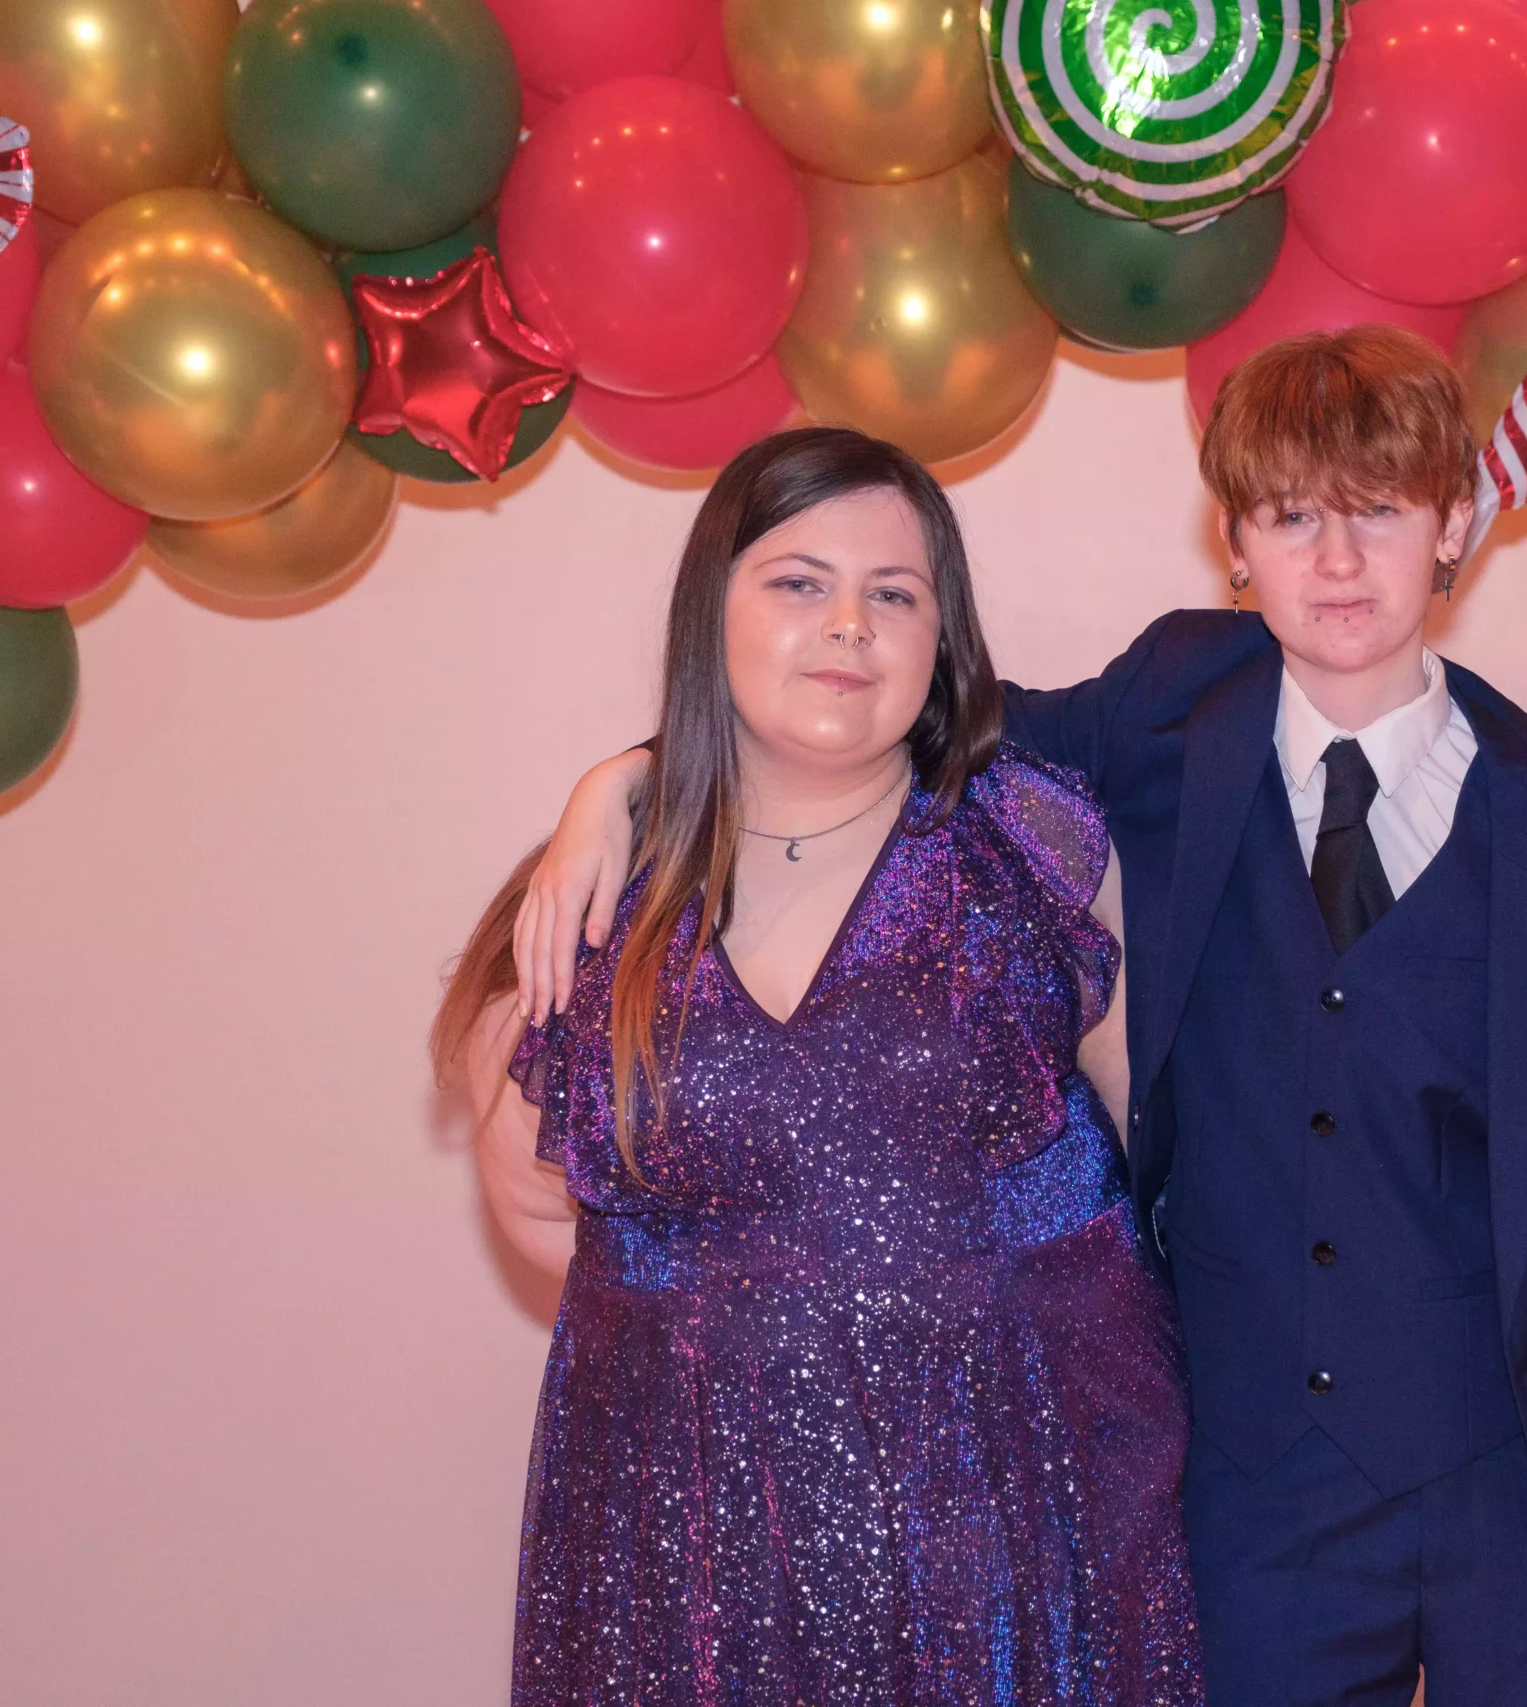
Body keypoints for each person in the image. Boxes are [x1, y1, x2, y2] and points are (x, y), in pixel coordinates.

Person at [517, 329, 1527, 1704]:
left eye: (1382, 513)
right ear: (1236, 541)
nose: (1338, 563)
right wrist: (622, 784)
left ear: (1456, 521)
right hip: (1253, 1496)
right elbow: (894, 712)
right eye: (1294, 517)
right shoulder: (1166, 713)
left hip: (1524, 1490)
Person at [433, 427, 1202, 1706]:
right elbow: (537, 1212)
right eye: (799, 582)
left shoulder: (1039, 848)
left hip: (1022, 1534)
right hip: (694, 1558)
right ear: (712, 610)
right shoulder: (591, 907)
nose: (848, 624)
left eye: (893, 595)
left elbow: (1162, 1163)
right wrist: (775, 1339)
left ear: (940, 639)